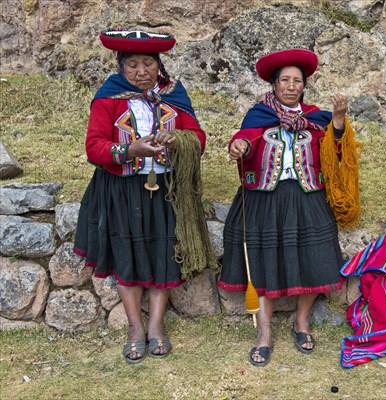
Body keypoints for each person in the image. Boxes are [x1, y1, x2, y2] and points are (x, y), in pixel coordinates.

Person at [74, 29, 211, 364]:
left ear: (158, 65)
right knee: (128, 256)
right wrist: (129, 149)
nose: (140, 71)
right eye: (132, 64)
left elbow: (198, 137)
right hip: (121, 189)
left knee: (164, 253)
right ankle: (135, 327)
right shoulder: (108, 98)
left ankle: (155, 326)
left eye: (147, 63)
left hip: (167, 190)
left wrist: (178, 140)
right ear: (121, 68)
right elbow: (94, 147)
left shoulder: (174, 96)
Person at [218, 48, 359, 367]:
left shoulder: (317, 118)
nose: (291, 85)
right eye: (285, 80)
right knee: (263, 262)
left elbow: (337, 155)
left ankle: (301, 322)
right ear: (274, 84)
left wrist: (337, 122)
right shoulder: (259, 114)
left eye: (297, 80)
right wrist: (238, 146)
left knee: (312, 259)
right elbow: (245, 137)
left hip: (307, 198)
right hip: (264, 200)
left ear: (304, 86)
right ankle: (264, 333)